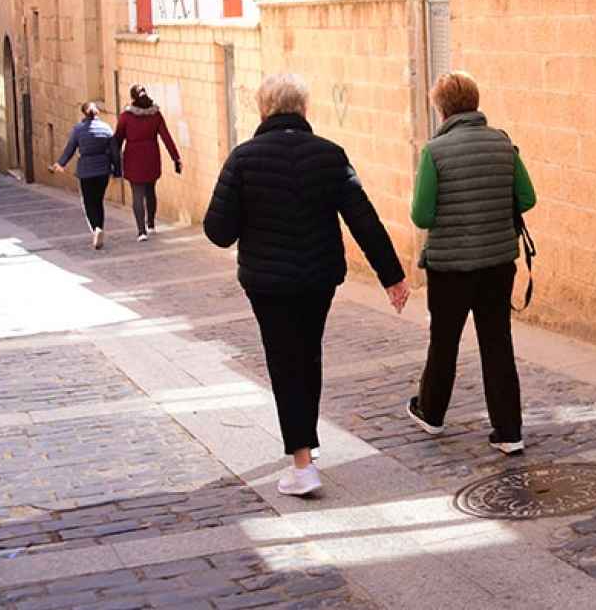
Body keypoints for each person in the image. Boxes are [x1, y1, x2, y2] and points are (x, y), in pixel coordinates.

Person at [203, 73, 409, 496]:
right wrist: (393, 277)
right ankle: (306, 451)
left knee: (284, 362)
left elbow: (218, 231)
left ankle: (302, 465)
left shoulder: (243, 159)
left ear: (263, 110)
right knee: (307, 355)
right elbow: (363, 219)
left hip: (267, 282)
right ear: (304, 110)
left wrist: (250, 211)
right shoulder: (330, 155)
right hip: (318, 278)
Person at [406, 71, 536, 455]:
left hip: (450, 267)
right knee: (497, 343)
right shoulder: (502, 143)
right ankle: (509, 431)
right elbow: (526, 198)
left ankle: (431, 413)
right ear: (475, 103)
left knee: (444, 341)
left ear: (441, 109)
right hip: (498, 262)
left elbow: (422, 216)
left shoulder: (435, 152)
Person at [114, 84, 181, 242]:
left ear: (132, 98)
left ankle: (141, 231)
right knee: (150, 190)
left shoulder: (126, 117)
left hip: (133, 158)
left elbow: (117, 139)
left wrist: (113, 159)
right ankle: (151, 224)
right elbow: (166, 137)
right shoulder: (155, 115)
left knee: (137, 193)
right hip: (151, 156)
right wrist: (175, 158)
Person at [50, 103, 118, 251]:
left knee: (88, 202)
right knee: (98, 201)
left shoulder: (78, 130)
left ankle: (95, 229)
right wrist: (117, 170)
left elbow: (70, 148)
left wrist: (60, 164)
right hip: (102, 170)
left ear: (83, 114)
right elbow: (114, 151)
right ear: (97, 113)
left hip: (86, 171)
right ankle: (99, 228)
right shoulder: (106, 128)